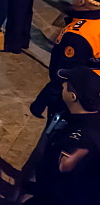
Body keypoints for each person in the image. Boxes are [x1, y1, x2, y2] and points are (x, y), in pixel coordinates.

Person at [31, 66, 100, 203]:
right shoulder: (86, 118)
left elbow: (60, 181)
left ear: (73, 96)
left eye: (67, 84)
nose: (63, 85)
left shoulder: (76, 141)